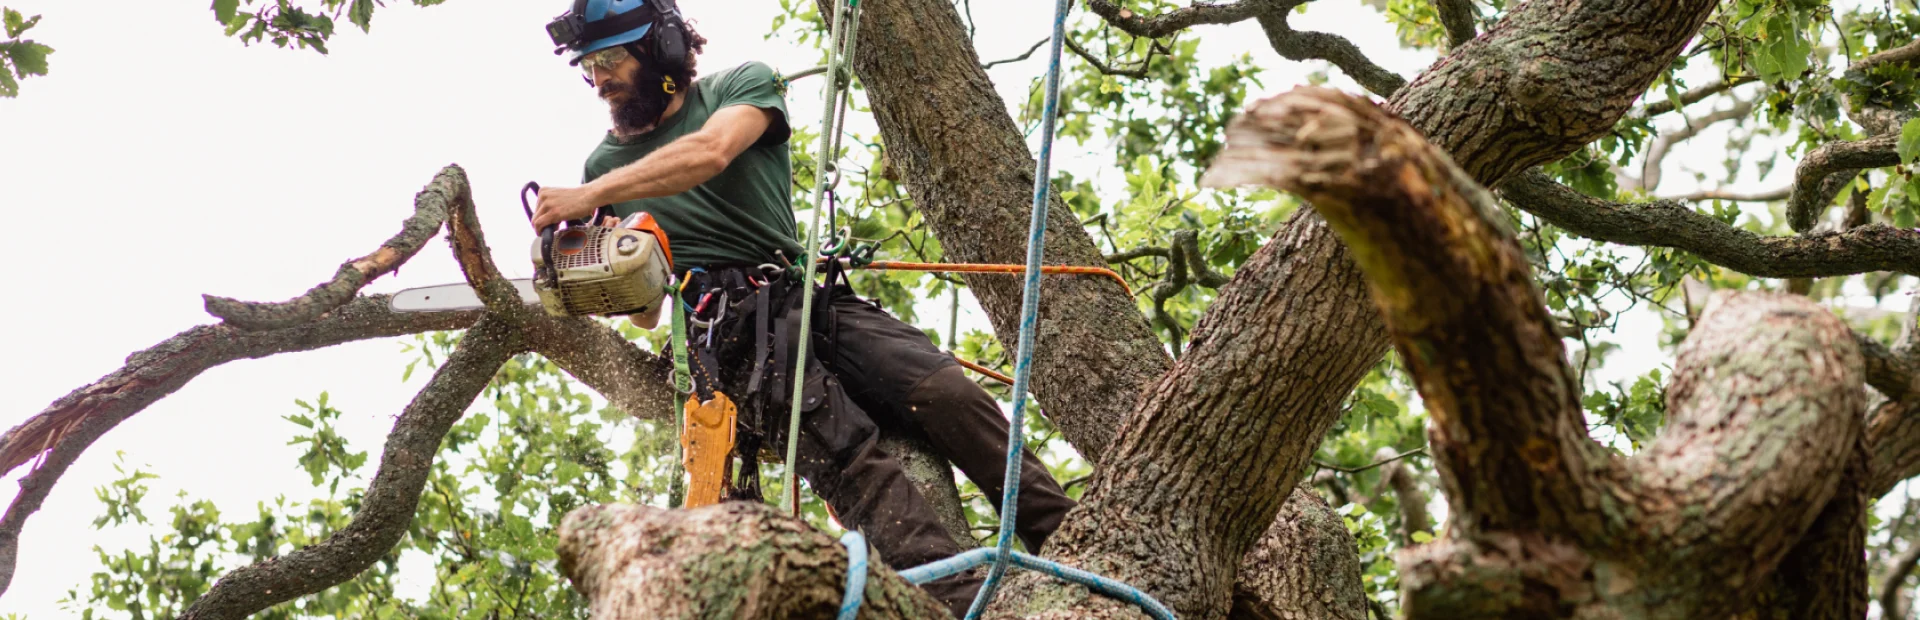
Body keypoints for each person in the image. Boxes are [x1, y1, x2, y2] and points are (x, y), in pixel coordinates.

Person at [527, 0, 1076, 613]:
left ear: (662, 47)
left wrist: (592, 194)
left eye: (609, 58)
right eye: (589, 67)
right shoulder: (603, 165)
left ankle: (1068, 541)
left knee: (946, 392)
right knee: (852, 456)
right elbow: (645, 316)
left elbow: (711, 152)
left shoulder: (741, 86)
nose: (599, 79)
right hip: (728, 333)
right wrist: (609, 270)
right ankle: (965, 603)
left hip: (804, 295)